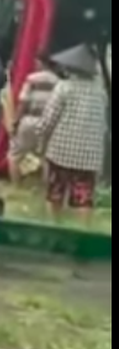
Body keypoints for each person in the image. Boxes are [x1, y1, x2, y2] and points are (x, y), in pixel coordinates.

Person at [35, 44, 108, 223]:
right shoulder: (101, 92)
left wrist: (40, 137)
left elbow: (49, 119)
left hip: (62, 151)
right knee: (83, 197)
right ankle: (83, 230)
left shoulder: (64, 87)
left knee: (55, 192)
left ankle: (55, 225)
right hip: (90, 154)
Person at [8, 52, 59, 184]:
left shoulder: (32, 79)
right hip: (49, 122)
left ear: (41, 63)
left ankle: (16, 185)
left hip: (30, 120)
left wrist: (15, 120)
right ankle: (45, 187)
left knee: (15, 155)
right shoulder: (58, 81)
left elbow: (23, 102)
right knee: (46, 158)